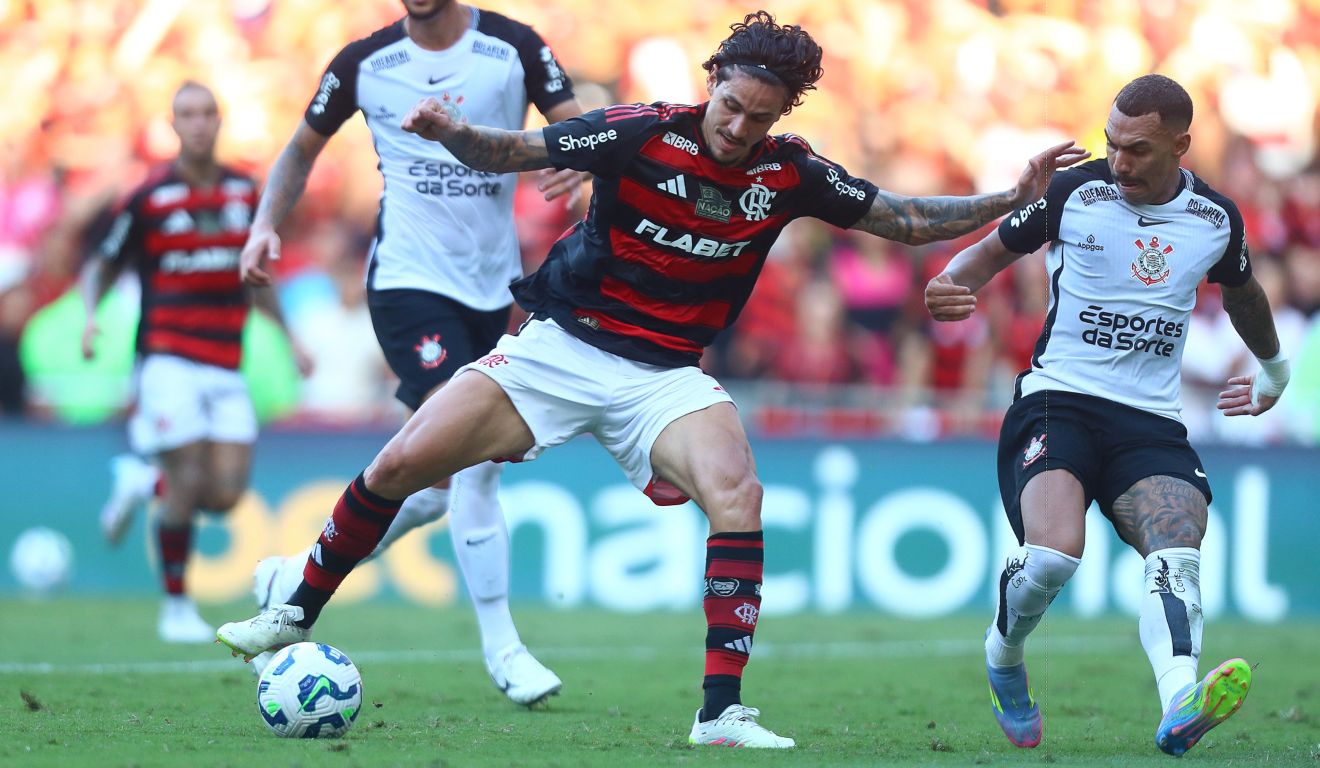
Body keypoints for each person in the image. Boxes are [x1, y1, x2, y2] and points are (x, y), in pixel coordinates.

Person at [218, 9, 1086, 748]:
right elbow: (515, 148)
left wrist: (1010, 198)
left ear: (783, 114)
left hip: (663, 375)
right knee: (406, 462)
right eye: (732, 105)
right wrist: (453, 134)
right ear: (713, 84)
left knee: (737, 495)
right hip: (560, 349)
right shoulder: (640, 131)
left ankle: (721, 712)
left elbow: (902, 220)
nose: (738, 128)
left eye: (759, 117)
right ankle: (294, 611)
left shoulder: (790, 173)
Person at [923, 74, 1290, 756]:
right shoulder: (1075, 192)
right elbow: (994, 249)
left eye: (1138, 149)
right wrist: (949, 285)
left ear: (1180, 145)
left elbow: (1244, 295)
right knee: (1054, 556)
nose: (1119, 161)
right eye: (1111, 143)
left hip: (1149, 420)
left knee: (1177, 542)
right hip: (1057, 400)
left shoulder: (1214, 219)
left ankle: (1181, 701)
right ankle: (1004, 656)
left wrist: (1274, 370)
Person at [235, 0, 586, 707]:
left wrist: (579, 167)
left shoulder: (513, 47)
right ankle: (504, 650)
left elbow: (579, 130)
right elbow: (301, 148)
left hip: (490, 287)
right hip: (406, 282)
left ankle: (296, 575)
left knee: (433, 480)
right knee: (477, 461)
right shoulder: (365, 63)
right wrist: (264, 225)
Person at [81, 81, 309, 643]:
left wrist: (290, 338)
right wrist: (92, 314)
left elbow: (259, 279)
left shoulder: (244, 191)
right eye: (188, 114)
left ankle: (141, 481)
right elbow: (102, 264)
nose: (199, 123)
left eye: (208, 113)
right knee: (186, 475)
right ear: (174, 124)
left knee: (226, 495)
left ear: (219, 121)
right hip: (167, 356)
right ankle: (176, 608)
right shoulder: (150, 196)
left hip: (225, 360)